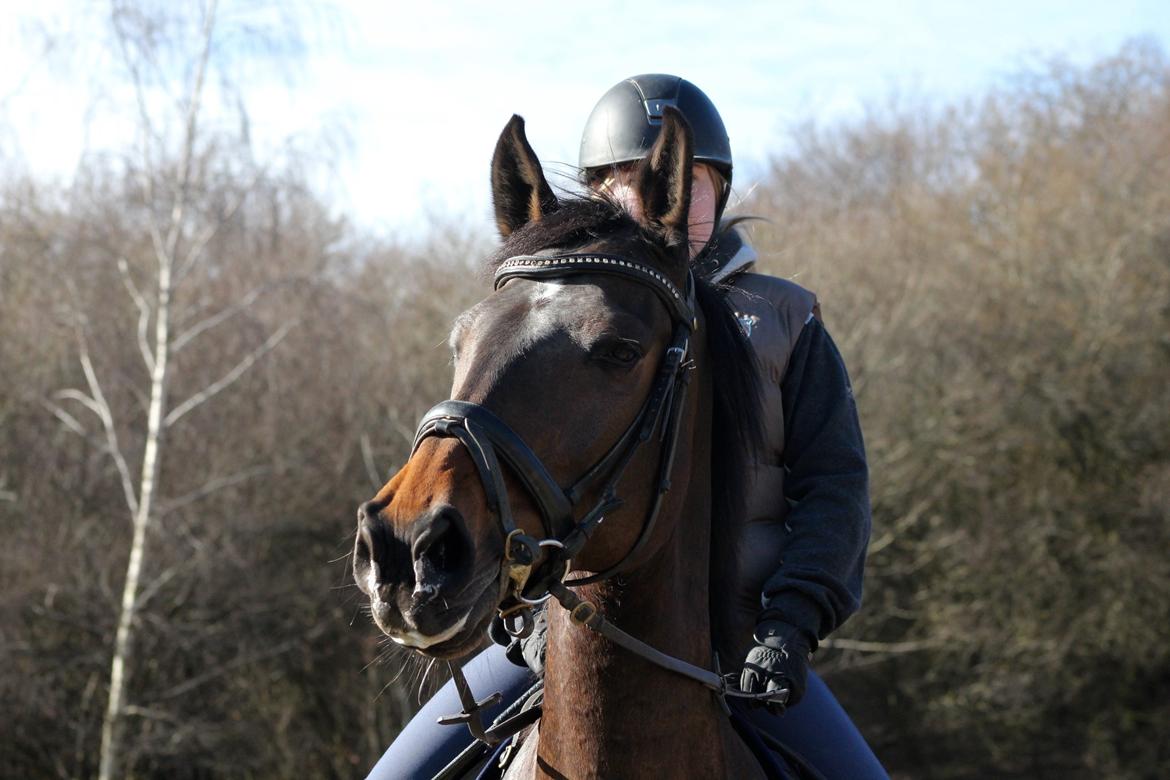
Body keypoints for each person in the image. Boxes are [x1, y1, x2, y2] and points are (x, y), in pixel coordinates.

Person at [368, 75, 887, 780]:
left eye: (677, 179)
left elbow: (835, 491)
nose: (643, 200)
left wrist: (790, 624)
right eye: (615, 183)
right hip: (565, 633)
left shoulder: (787, 320)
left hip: (749, 642)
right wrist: (524, 617)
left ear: (715, 191)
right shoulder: (568, 320)